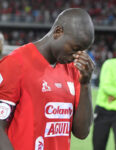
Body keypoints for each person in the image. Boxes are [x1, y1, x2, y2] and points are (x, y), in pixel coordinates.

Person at [0, 8, 95, 150]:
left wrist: (86, 83)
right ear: (58, 32)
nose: (77, 56)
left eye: (82, 51)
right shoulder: (15, 63)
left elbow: (82, 133)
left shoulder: (73, 70)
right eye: (75, 48)